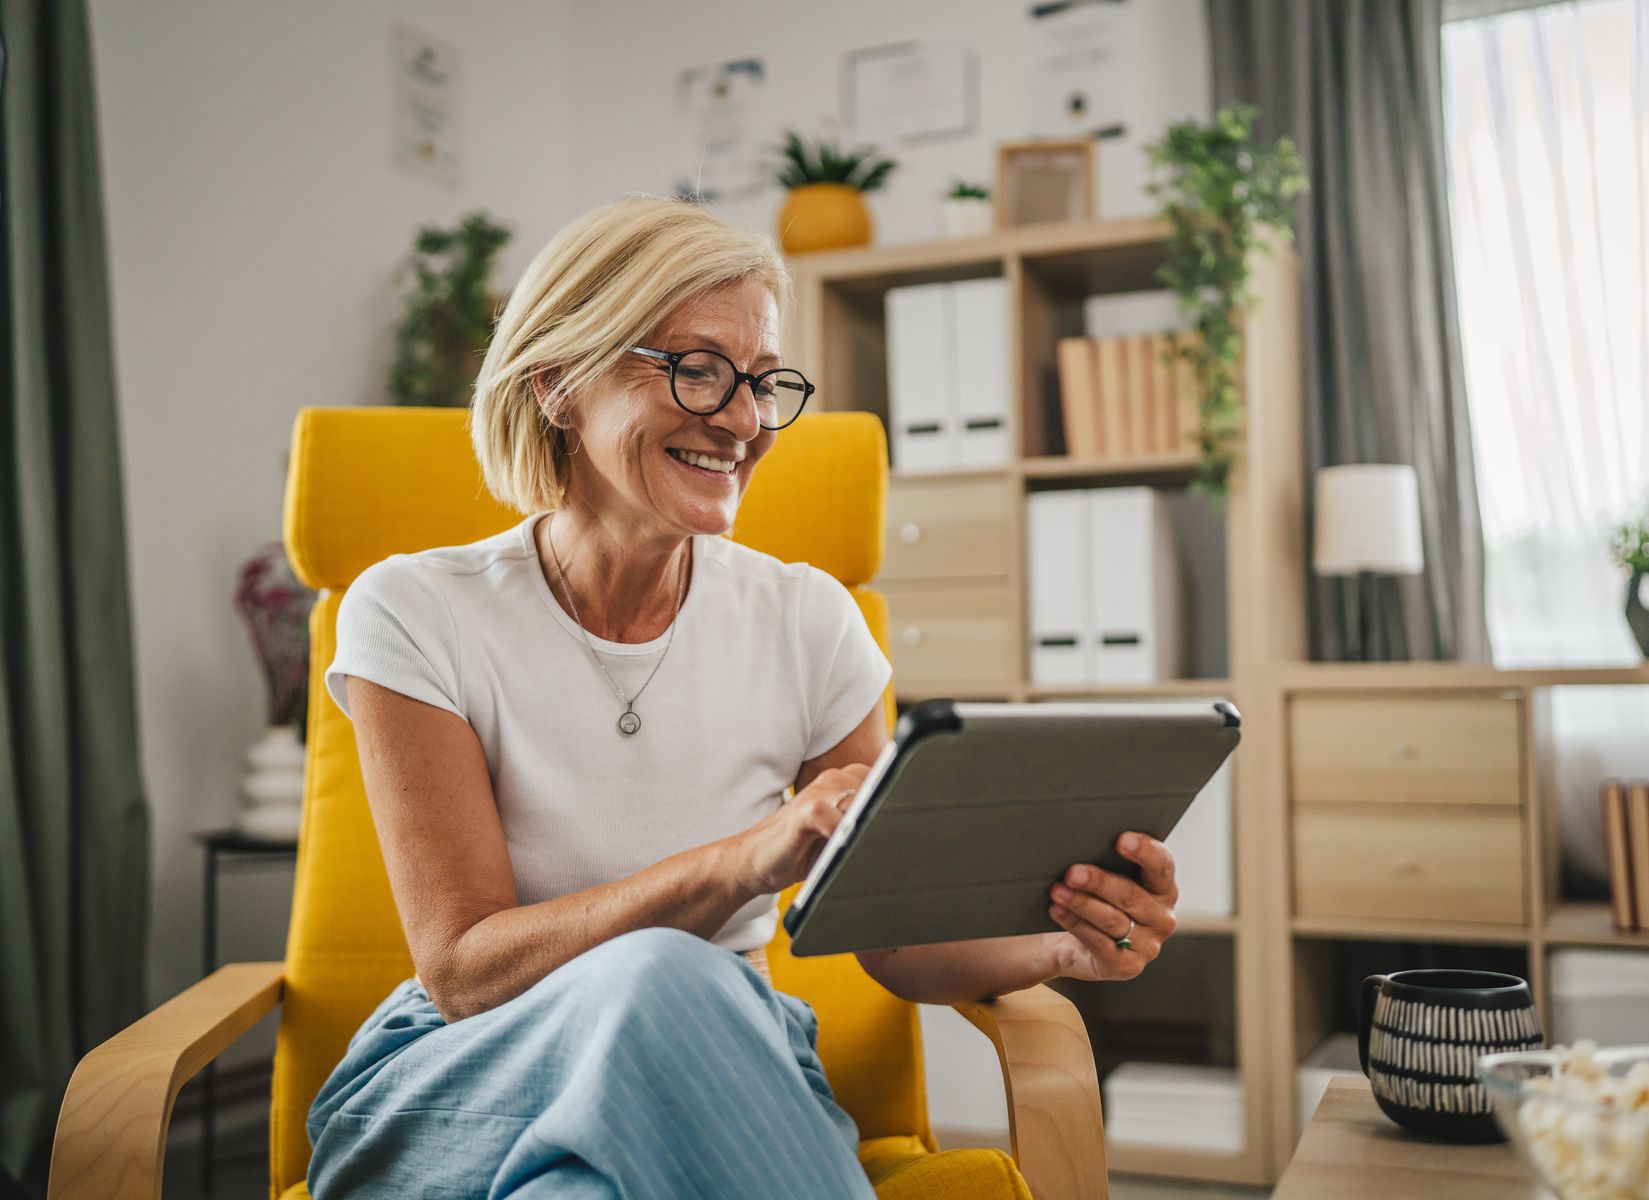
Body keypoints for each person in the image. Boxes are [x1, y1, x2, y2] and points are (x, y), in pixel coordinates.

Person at [306, 196, 1183, 1198]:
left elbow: (891, 934)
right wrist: (740, 863)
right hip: (466, 1076)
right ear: (558, 384)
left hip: (728, 1065)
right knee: (666, 971)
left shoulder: (806, 621)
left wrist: (1068, 941)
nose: (744, 420)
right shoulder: (416, 612)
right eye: (697, 367)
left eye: (765, 384)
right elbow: (464, 969)